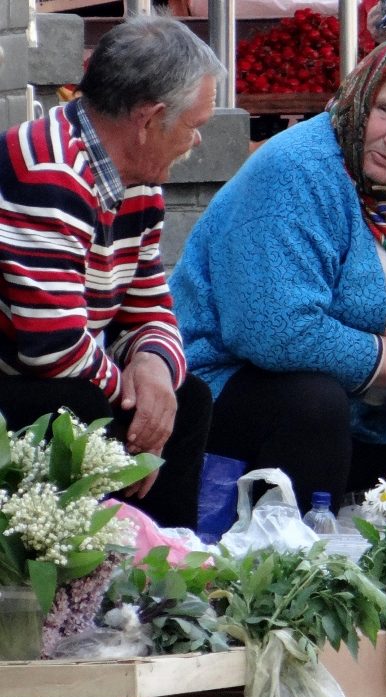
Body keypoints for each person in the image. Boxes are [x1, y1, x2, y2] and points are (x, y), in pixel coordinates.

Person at [169, 36, 386, 510]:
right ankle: (291, 558)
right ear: (359, 97)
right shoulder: (296, 170)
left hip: (382, 403)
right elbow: (273, 330)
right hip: (226, 385)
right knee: (314, 403)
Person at [0, 14, 223, 529]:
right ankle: (118, 575)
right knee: (91, 403)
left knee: (186, 398)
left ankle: (162, 577)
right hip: (20, 377)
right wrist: (135, 394)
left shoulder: (139, 179)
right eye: (195, 126)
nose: (196, 144)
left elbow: (152, 309)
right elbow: (52, 349)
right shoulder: (47, 170)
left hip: (58, 372)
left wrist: (155, 369)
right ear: (149, 120)